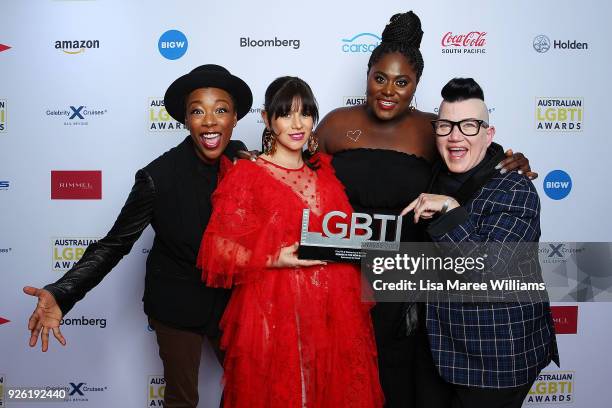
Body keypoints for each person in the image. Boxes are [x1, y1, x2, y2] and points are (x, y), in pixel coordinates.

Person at [314, 11, 535, 407]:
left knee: (398, 383)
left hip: (407, 281)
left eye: (402, 82)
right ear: (367, 74)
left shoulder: (434, 129)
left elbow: (476, 157)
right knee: (341, 379)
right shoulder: (334, 124)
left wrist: (511, 160)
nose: (388, 90)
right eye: (379, 77)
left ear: (416, 85)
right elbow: (296, 175)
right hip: (342, 273)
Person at [23, 64, 253, 408]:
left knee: (249, 388)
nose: (209, 121)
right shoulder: (156, 177)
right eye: (197, 111)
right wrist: (63, 292)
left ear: (234, 118)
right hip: (177, 299)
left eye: (220, 110)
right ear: (185, 120)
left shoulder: (246, 162)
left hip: (232, 299)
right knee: (182, 398)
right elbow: (115, 243)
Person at [197, 76, 384, 408]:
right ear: (268, 119)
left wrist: (368, 245)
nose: (298, 124)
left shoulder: (324, 172)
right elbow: (218, 248)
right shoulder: (248, 174)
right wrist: (273, 258)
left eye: (306, 113)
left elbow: (344, 235)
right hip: (277, 309)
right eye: (286, 114)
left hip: (333, 311)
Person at [401, 78, 558, 408]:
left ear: (488, 134)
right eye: (445, 126)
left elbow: (488, 274)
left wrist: (450, 209)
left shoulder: (516, 190)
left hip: (495, 361)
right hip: (437, 348)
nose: (455, 135)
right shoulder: (432, 177)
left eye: (469, 126)